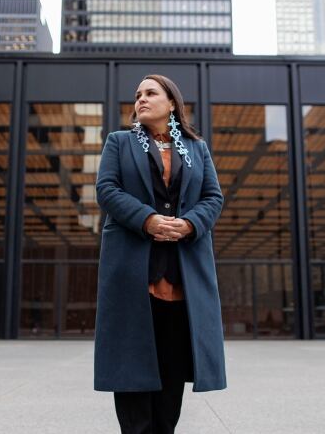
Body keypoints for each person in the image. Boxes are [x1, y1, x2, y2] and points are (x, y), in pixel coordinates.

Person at [94, 74, 227, 434]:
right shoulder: (119, 142)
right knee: (131, 372)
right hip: (133, 275)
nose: (140, 99)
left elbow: (213, 198)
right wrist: (148, 219)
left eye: (150, 93)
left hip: (182, 280)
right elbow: (106, 189)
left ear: (172, 103)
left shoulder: (197, 148)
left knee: (171, 376)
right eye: (137, 94)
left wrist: (189, 224)